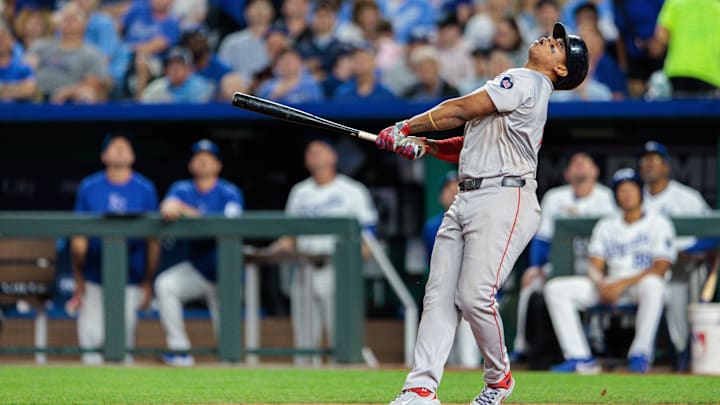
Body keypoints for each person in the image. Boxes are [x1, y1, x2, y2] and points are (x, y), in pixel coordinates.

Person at [375, 22, 589, 405]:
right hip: (470, 194)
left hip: (505, 196)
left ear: (560, 70)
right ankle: (420, 389)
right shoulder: (519, 90)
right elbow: (469, 140)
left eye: (558, 46)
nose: (548, 39)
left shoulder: (526, 80)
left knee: (475, 296)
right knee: (439, 296)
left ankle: (499, 378)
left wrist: (404, 126)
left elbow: (459, 109)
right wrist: (424, 143)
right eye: (553, 37)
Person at [545, 168, 676, 373]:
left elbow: (660, 267)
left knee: (653, 285)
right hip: (610, 285)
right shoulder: (607, 225)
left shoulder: (659, 223)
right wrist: (601, 284)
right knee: (556, 288)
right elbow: (595, 265)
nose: (627, 194)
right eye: (621, 190)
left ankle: (640, 353)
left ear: (640, 192)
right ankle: (579, 358)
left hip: (638, 286)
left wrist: (620, 284)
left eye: (631, 188)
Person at [269, 139, 377, 365]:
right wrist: (272, 250)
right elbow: (290, 235)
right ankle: (306, 392)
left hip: (337, 267)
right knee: (305, 340)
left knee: (343, 335)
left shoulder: (352, 190)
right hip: (304, 267)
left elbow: (368, 234)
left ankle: (345, 387)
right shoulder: (299, 192)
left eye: (320, 151)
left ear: (333, 156)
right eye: (310, 152)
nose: (314, 155)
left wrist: (357, 267)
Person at [510, 151, 615, 361]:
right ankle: (522, 346)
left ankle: (597, 338)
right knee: (531, 284)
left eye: (585, 162)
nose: (579, 166)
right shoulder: (555, 198)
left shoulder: (607, 198)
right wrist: (536, 267)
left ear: (596, 171)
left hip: (596, 266)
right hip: (560, 265)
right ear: (566, 173)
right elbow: (542, 239)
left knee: (593, 290)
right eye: (574, 163)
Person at [69, 133, 160, 365]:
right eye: (114, 146)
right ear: (104, 155)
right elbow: (78, 238)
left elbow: (154, 239)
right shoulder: (90, 186)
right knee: (92, 342)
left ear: (132, 155)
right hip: (93, 276)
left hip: (130, 277)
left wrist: (148, 281)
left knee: (121, 345)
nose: (120, 149)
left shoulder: (145, 188)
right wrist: (78, 278)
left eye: (125, 146)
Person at [155, 139, 244, 367]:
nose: (202, 160)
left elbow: (227, 227)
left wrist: (185, 210)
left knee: (229, 351)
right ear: (191, 164)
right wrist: (170, 206)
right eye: (198, 156)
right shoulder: (182, 188)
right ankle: (180, 351)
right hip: (198, 268)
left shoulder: (230, 192)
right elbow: (168, 205)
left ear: (218, 165)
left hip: (226, 272)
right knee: (166, 284)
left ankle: (229, 363)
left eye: (209, 157)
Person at [637, 140, 714, 370]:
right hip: (642, 269)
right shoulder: (631, 197)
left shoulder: (687, 198)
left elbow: (713, 234)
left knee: (679, 303)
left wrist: (683, 252)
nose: (650, 165)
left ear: (667, 167)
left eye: (655, 160)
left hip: (682, 268)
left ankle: (684, 354)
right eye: (645, 160)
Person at [422, 171, 481, 369]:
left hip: (473, 289)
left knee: (466, 354)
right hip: (447, 287)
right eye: (449, 188)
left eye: (459, 186)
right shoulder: (432, 226)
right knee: (445, 352)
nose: (455, 191)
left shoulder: (480, 221)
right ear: (441, 195)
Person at [25, 2, 112, 103]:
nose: (69, 22)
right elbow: (24, 70)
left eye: (74, 19)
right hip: (34, 95)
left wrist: (68, 92)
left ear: (85, 23)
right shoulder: (41, 46)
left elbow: (97, 84)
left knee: (86, 94)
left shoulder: (93, 54)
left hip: (69, 101)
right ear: (58, 23)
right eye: (65, 18)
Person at [139, 46, 213, 103]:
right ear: (166, 69)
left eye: (179, 63)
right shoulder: (157, 87)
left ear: (189, 69)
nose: (175, 67)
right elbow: (141, 107)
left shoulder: (200, 86)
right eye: (171, 64)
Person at [0, 19, 37, 102]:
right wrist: (17, 87)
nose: (0, 41)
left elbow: (29, 90)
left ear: (12, 41)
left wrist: (2, 88)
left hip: (19, 113)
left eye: (3, 37)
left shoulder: (23, 66)